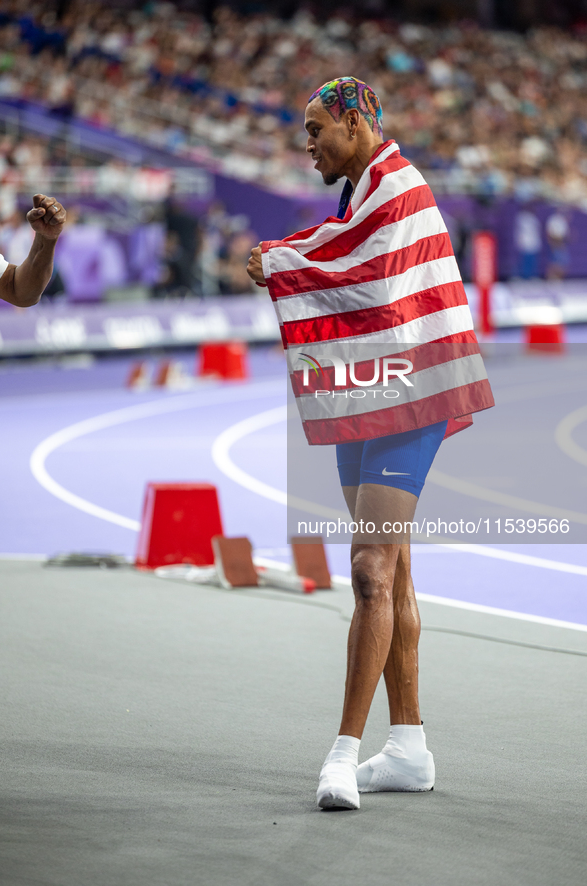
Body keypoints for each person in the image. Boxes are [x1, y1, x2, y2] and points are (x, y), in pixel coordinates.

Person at [247, 77, 493, 810]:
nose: (308, 143)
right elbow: (349, 259)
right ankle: (408, 748)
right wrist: (291, 257)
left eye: (317, 127)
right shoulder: (361, 192)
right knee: (394, 573)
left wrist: (280, 259)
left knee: (368, 568)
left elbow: (364, 270)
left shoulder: (394, 182)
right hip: (376, 387)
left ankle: (341, 753)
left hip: (411, 390)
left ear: (356, 122)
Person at [0, 194, 67, 306]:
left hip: (31, 269)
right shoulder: (6, 232)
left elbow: (18, 291)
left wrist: (47, 238)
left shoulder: (26, 231)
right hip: (21, 267)